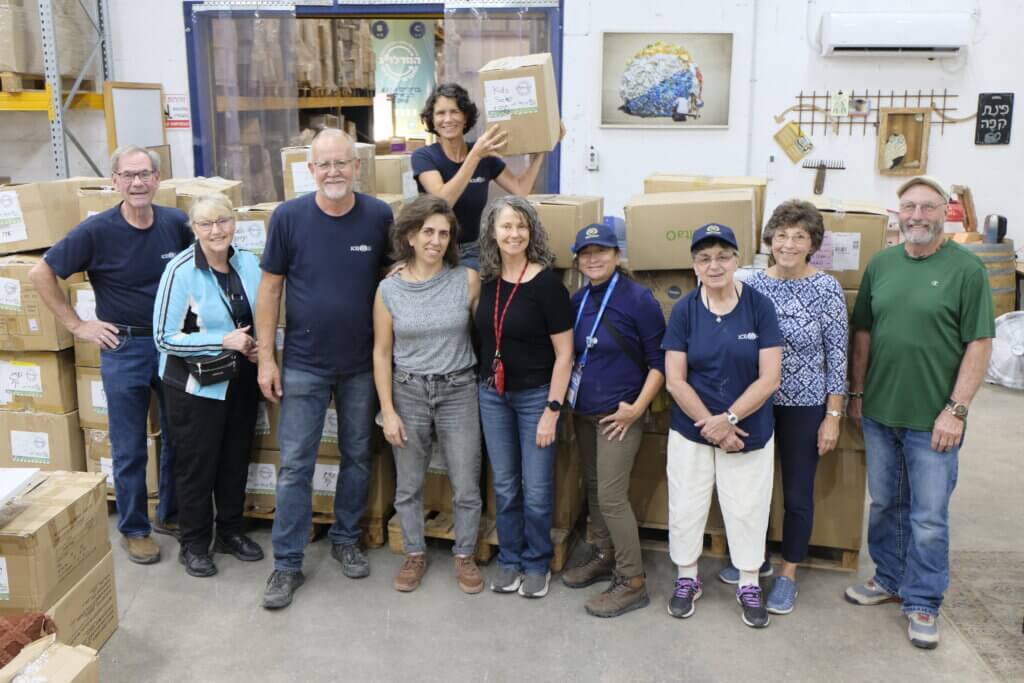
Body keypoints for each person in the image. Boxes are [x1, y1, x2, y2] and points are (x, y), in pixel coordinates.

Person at [845, 176, 994, 650]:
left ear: (945, 212)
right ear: (898, 213)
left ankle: (924, 599)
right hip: (879, 412)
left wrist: (957, 409)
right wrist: (858, 392)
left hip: (935, 418)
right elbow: (864, 332)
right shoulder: (882, 264)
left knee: (928, 515)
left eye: (927, 207)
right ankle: (889, 578)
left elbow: (980, 343)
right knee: (886, 503)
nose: (916, 216)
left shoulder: (966, 270)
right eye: (908, 206)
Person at [29, 146, 188, 565]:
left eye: (145, 174)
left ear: (158, 178)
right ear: (114, 181)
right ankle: (135, 528)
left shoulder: (174, 223)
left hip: (172, 345)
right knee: (130, 443)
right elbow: (40, 272)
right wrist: (78, 325)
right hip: (125, 348)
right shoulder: (96, 231)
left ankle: (170, 514)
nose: (138, 183)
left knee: (178, 434)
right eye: (128, 175)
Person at [256, 128, 394, 610]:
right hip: (304, 364)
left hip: (361, 364)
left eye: (342, 163)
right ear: (310, 170)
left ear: (357, 167)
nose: (333, 171)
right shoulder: (289, 217)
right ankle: (287, 563)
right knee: (296, 465)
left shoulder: (379, 216)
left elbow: (394, 278)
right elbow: (270, 289)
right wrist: (267, 358)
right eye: (324, 164)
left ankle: (345, 538)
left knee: (358, 454)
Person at [662, 223, 783, 629]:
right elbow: (675, 378)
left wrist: (729, 420)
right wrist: (710, 425)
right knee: (686, 505)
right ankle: (686, 578)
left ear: (737, 259)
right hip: (691, 430)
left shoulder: (759, 306)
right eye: (704, 258)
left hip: (747, 430)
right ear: (694, 264)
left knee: (748, 507)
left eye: (723, 256)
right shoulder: (684, 311)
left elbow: (769, 378)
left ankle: (749, 582)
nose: (714, 265)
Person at [739, 200, 848, 614]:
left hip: (805, 403)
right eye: (782, 235)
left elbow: (837, 355)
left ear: (812, 244)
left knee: (798, 492)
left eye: (799, 236)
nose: (788, 243)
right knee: (751, 487)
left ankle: (787, 573)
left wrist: (832, 417)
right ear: (770, 239)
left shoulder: (826, 289)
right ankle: (754, 561)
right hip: (756, 402)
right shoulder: (749, 284)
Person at [372, 195, 484, 594]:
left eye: (444, 233)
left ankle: (465, 553)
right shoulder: (389, 290)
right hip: (409, 391)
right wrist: (388, 410)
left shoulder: (466, 280)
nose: (436, 241)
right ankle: (414, 553)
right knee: (409, 483)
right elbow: (382, 352)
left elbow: (483, 334)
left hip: (459, 389)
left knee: (466, 481)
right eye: (428, 232)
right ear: (410, 237)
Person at [153, 194, 265, 578]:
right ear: (193, 229)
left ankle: (230, 533)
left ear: (235, 222)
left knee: (235, 460)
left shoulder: (248, 262)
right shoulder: (181, 270)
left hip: (240, 380)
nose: (216, 230)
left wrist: (258, 347)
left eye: (223, 221)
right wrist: (223, 340)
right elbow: (164, 338)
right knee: (196, 467)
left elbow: (262, 316)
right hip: (194, 388)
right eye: (205, 224)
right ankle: (195, 544)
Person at [559, 223, 666, 617]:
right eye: (585, 253)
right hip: (584, 412)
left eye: (601, 251)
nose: (593, 258)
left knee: (611, 496)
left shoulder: (638, 300)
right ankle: (604, 555)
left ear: (617, 254)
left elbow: (660, 363)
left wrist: (637, 408)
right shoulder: (579, 300)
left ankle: (632, 580)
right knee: (593, 485)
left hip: (620, 415)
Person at [474, 196, 573, 599]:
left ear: (531, 232)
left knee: (535, 488)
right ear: (492, 233)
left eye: (521, 226)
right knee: (507, 485)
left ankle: (536, 562)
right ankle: (509, 559)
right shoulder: (485, 281)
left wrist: (552, 409)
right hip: (492, 395)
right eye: (505, 226)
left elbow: (565, 354)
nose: (513, 234)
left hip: (536, 397)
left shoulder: (547, 284)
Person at [412, 83, 560, 269]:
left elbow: (520, 190)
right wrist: (475, 156)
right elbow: (443, 202)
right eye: (440, 113)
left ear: (465, 117)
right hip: (434, 250)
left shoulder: (483, 155)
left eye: (455, 111)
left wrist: (543, 149)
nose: (448, 119)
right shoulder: (424, 157)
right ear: (432, 120)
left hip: (473, 251)